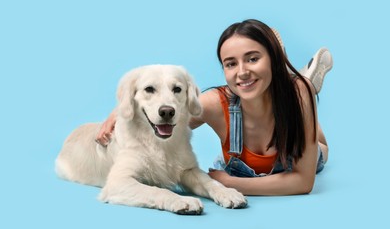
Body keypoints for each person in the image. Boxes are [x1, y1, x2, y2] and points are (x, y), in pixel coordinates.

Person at [95, 19, 333, 196]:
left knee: (314, 133)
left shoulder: (299, 93)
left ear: (271, 58)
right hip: (242, 167)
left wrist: (230, 183)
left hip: (290, 156)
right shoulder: (214, 103)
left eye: (252, 59)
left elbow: (303, 182)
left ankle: (300, 84)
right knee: (297, 102)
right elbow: (165, 112)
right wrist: (119, 112)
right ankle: (293, 94)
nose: (242, 72)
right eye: (231, 64)